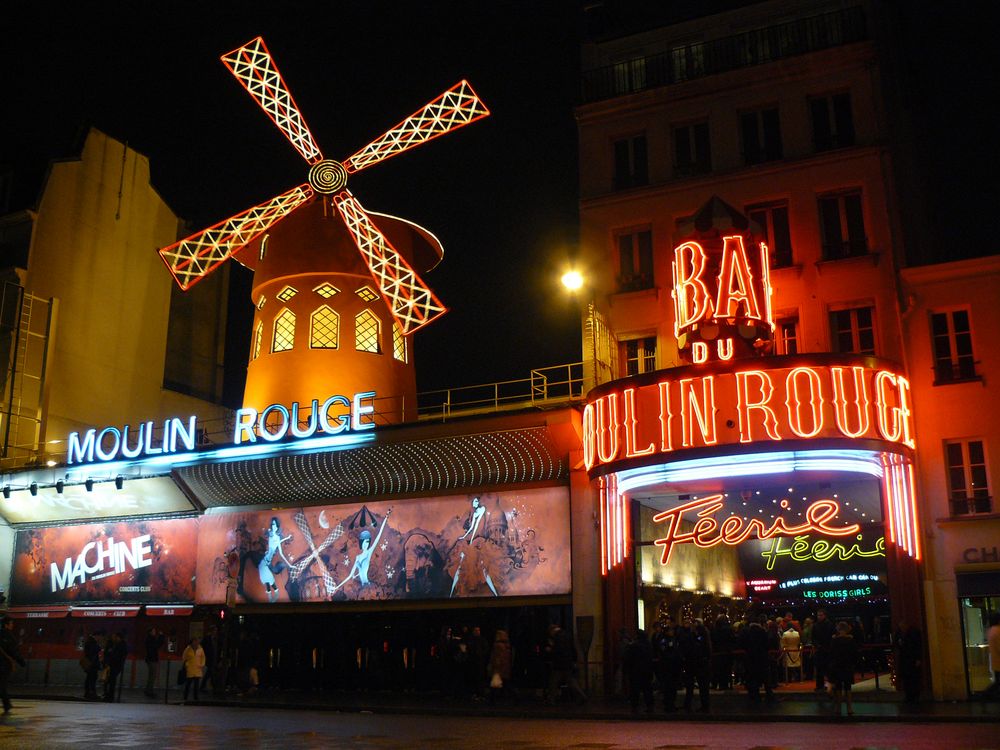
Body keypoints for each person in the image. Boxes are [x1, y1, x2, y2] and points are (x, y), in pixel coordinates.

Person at [544, 624, 587, 705]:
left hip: (559, 664)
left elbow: (558, 651)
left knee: (553, 682)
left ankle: (551, 700)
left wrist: (550, 650)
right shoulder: (567, 635)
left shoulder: (557, 637)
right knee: (571, 681)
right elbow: (573, 649)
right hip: (568, 662)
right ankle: (582, 696)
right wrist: (574, 660)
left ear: (552, 631)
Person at [680, 617, 712, 712]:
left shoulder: (697, 638)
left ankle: (693, 705)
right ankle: (700, 705)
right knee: (701, 686)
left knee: (697, 686)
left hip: (696, 664)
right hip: (697, 664)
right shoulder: (701, 638)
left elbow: (691, 649)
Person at [828, 620, 860, 716]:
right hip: (848, 665)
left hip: (837, 665)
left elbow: (831, 654)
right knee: (848, 687)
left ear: (838, 629)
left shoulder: (834, 640)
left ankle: (838, 707)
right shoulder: (851, 640)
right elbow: (855, 654)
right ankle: (849, 708)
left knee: (838, 687)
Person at [259, 517, 293, 603]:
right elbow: (275, 541)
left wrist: (290, 565)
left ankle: (275, 594)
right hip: (265, 561)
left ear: (277, 526)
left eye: (275, 524)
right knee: (266, 578)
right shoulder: (271, 536)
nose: (274, 526)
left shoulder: (277, 538)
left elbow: (280, 551)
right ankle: (271, 597)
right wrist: (286, 538)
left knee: (268, 578)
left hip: (266, 562)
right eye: (272, 524)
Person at [653, 617, 683, 712]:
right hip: (667, 666)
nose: (672, 632)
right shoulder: (664, 640)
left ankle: (671, 703)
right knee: (668, 686)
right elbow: (664, 652)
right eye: (670, 631)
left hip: (673, 667)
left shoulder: (674, 640)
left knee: (672, 687)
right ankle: (668, 704)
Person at [623, 629, 654, 713]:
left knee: (635, 690)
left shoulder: (634, 646)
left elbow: (628, 658)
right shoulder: (648, 645)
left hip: (635, 671)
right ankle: (649, 706)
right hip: (646, 671)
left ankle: (635, 707)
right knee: (647, 689)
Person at [0, 617, 25, 714]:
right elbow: (13, 651)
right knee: (2, 685)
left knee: (2, 685)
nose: (12, 625)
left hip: (3, 664)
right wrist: (21, 662)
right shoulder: (8, 636)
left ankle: (7, 705)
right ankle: (7, 705)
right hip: (4, 665)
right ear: (6, 624)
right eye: (11, 623)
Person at [894, 621, 922, 703]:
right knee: (906, 679)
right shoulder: (899, 633)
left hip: (911, 658)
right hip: (904, 659)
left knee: (913, 678)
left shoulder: (914, 632)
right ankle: (908, 696)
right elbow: (896, 643)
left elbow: (918, 645)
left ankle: (915, 696)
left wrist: (918, 658)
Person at [811, 609, 835, 693]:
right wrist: (817, 645)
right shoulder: (815, 625)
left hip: (827, 649)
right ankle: (820, 686)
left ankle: (829, 685)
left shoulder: (830, 625)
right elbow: (813, 638)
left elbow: (832, 636)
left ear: (825, 615)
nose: (819, 617)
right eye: (818, 615)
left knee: (829, 669)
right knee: (819, 669)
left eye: (821, 615)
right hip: (820, 649)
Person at [488, 629, 512, 704]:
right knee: (504, 683)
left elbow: (497, 657)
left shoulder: (498, 645)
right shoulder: (507, 645)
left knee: (495, 685)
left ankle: (493, 700)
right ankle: (507, 698)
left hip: (498, 668)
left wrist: (495, 667)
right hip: (505, 667)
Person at [104, 631, 128, 702]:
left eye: (115, 637)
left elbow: (117, 655)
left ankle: (110, 695)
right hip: (112, 664)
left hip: (115, 665)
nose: (114, 638)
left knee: (111, 680)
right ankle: (108, 694)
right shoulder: (113, 644)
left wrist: (111, 654)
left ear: (118, 637)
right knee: (109, 680)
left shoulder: (121, 645)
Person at [182, 636, 206, 702]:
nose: (196, 643)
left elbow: (203, 657)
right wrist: (186, 664)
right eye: (195, 641)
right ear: (192, 642)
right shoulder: (188, 649)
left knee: (196, 684)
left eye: (197, 641)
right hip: (190, 668)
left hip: (197, 668)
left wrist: (202, 664)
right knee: (188, 684)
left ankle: (196, 697)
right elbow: (184, 657)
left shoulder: (200, 649)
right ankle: (185, 696)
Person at [144, 627, 166, 698]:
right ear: (150, 632)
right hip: (152, 659)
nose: (155, 632)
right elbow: (157, 645)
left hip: (150, 659)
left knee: (151, 676)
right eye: (153, 631)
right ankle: (149, 691)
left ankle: (148, 690)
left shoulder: (148, 639)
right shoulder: (151, 639)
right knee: (152, 676)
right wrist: (161, 637)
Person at [83, 631, 102, 699]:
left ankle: (88, 692)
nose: (100, 638)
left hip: (90, 663)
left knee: (89, 678)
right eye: (99, 636)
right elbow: (92, 653)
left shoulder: (89, 641)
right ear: (96, 636)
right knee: (92, 679)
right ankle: (91, 693)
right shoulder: (92, 642)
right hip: (92, 664)